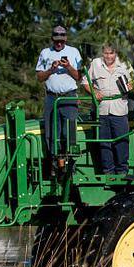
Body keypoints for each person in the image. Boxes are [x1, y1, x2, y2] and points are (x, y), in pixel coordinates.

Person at [84, 44, 134, 174]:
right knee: (104, 143)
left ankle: (122, 171)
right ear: (102, 53)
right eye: (106, 54)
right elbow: (85, 82)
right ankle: (108, 172)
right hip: (102, 110)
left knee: (122, 141)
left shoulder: (125, 63)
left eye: (111, 53)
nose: (109, 56)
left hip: (120, 108)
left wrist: (130, 85)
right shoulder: (95, 64)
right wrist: (94, 92)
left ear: (116, 53)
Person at [36, 25, 82, 169]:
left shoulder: (74, 52)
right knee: (52, 133)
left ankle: (71, 168)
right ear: (52, 39)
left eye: (62, 40)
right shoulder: (45, 53)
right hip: (51, 98)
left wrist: (68, 67)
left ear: (66, 39)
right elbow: (39, 77)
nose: (59, 43)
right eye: (57, 41)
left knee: (69, 132)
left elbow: (79, 77)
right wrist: (51, 69)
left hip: (69, 97)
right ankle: (55, 167)